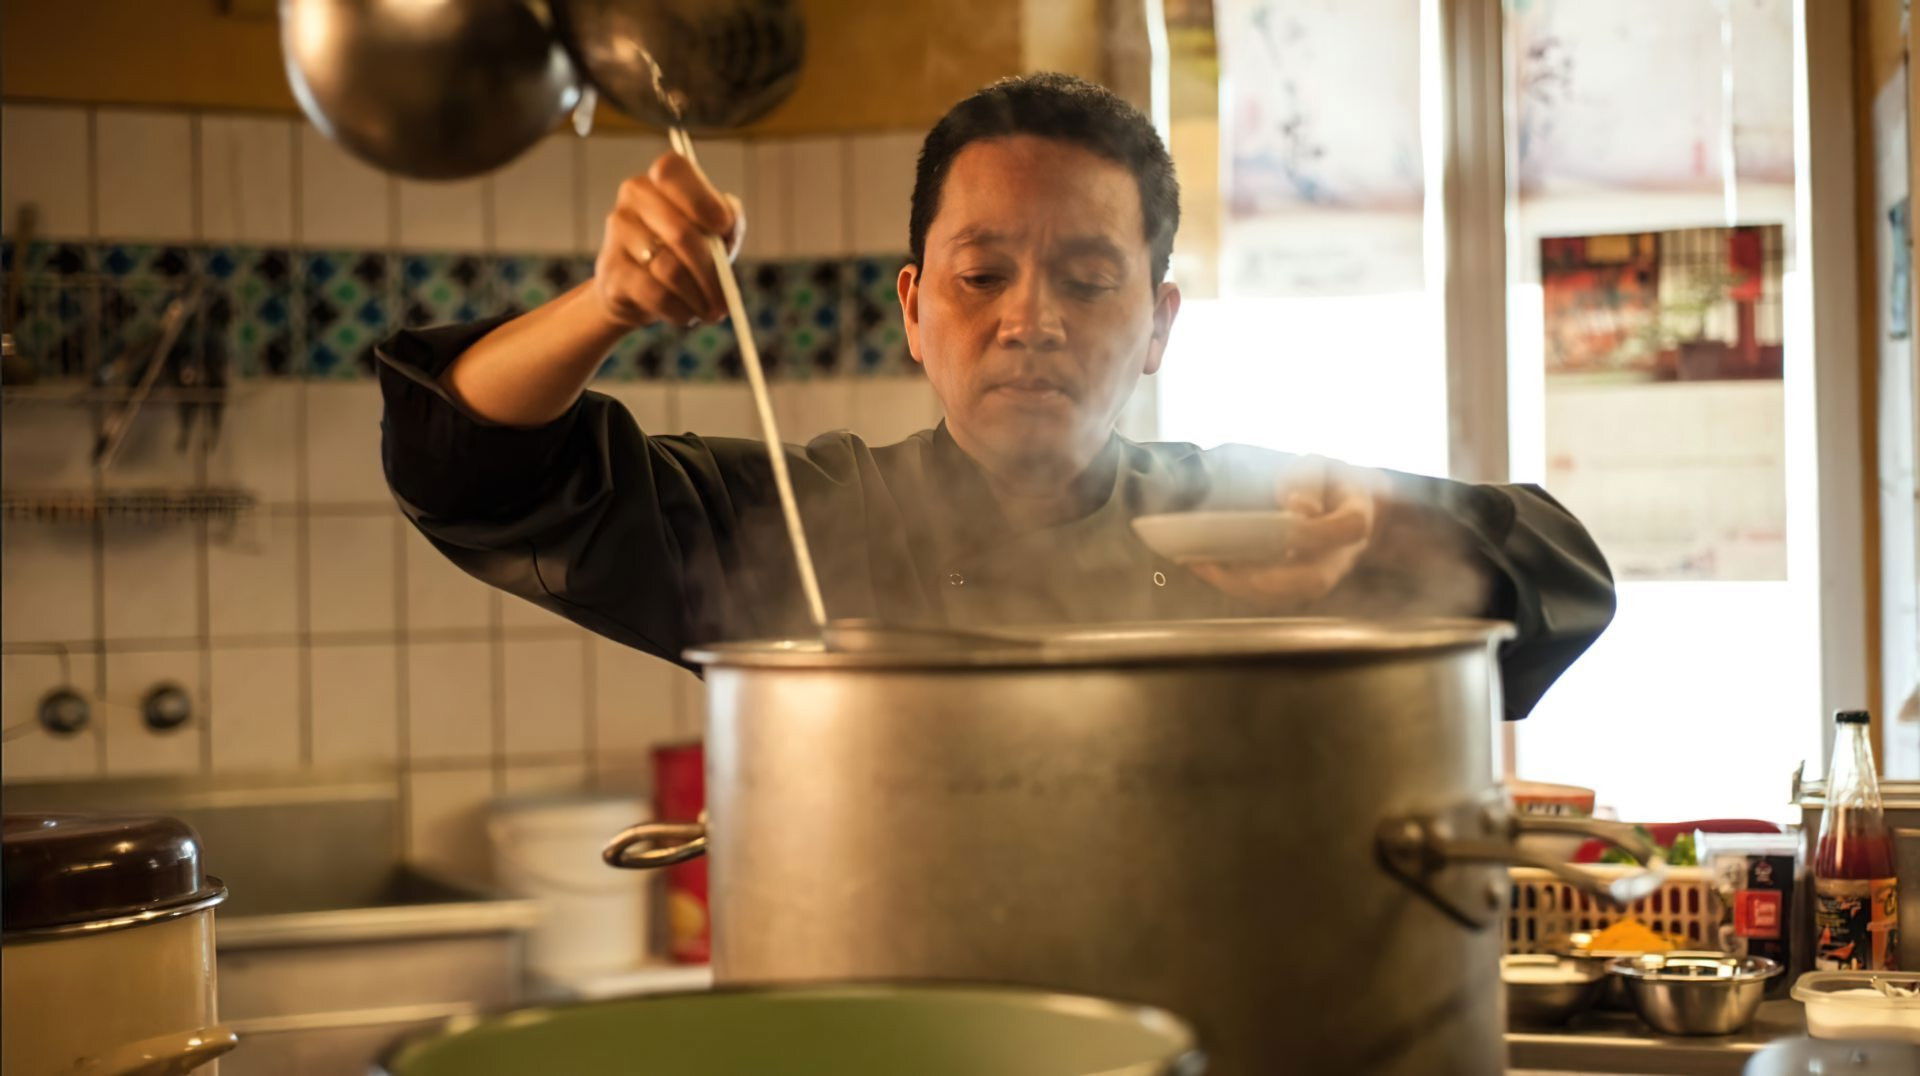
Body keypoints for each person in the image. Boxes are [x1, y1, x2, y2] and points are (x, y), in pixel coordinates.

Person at [378, 72, 1614, 719]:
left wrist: (1376, 538)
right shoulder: (804, 528)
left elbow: (1567, 572)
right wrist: (607, 304)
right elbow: (471, 469)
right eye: (982, 276)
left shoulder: (1242, 520)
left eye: (1088, 278)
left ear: (1158, 328)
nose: (1031, 318)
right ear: (915, 309)